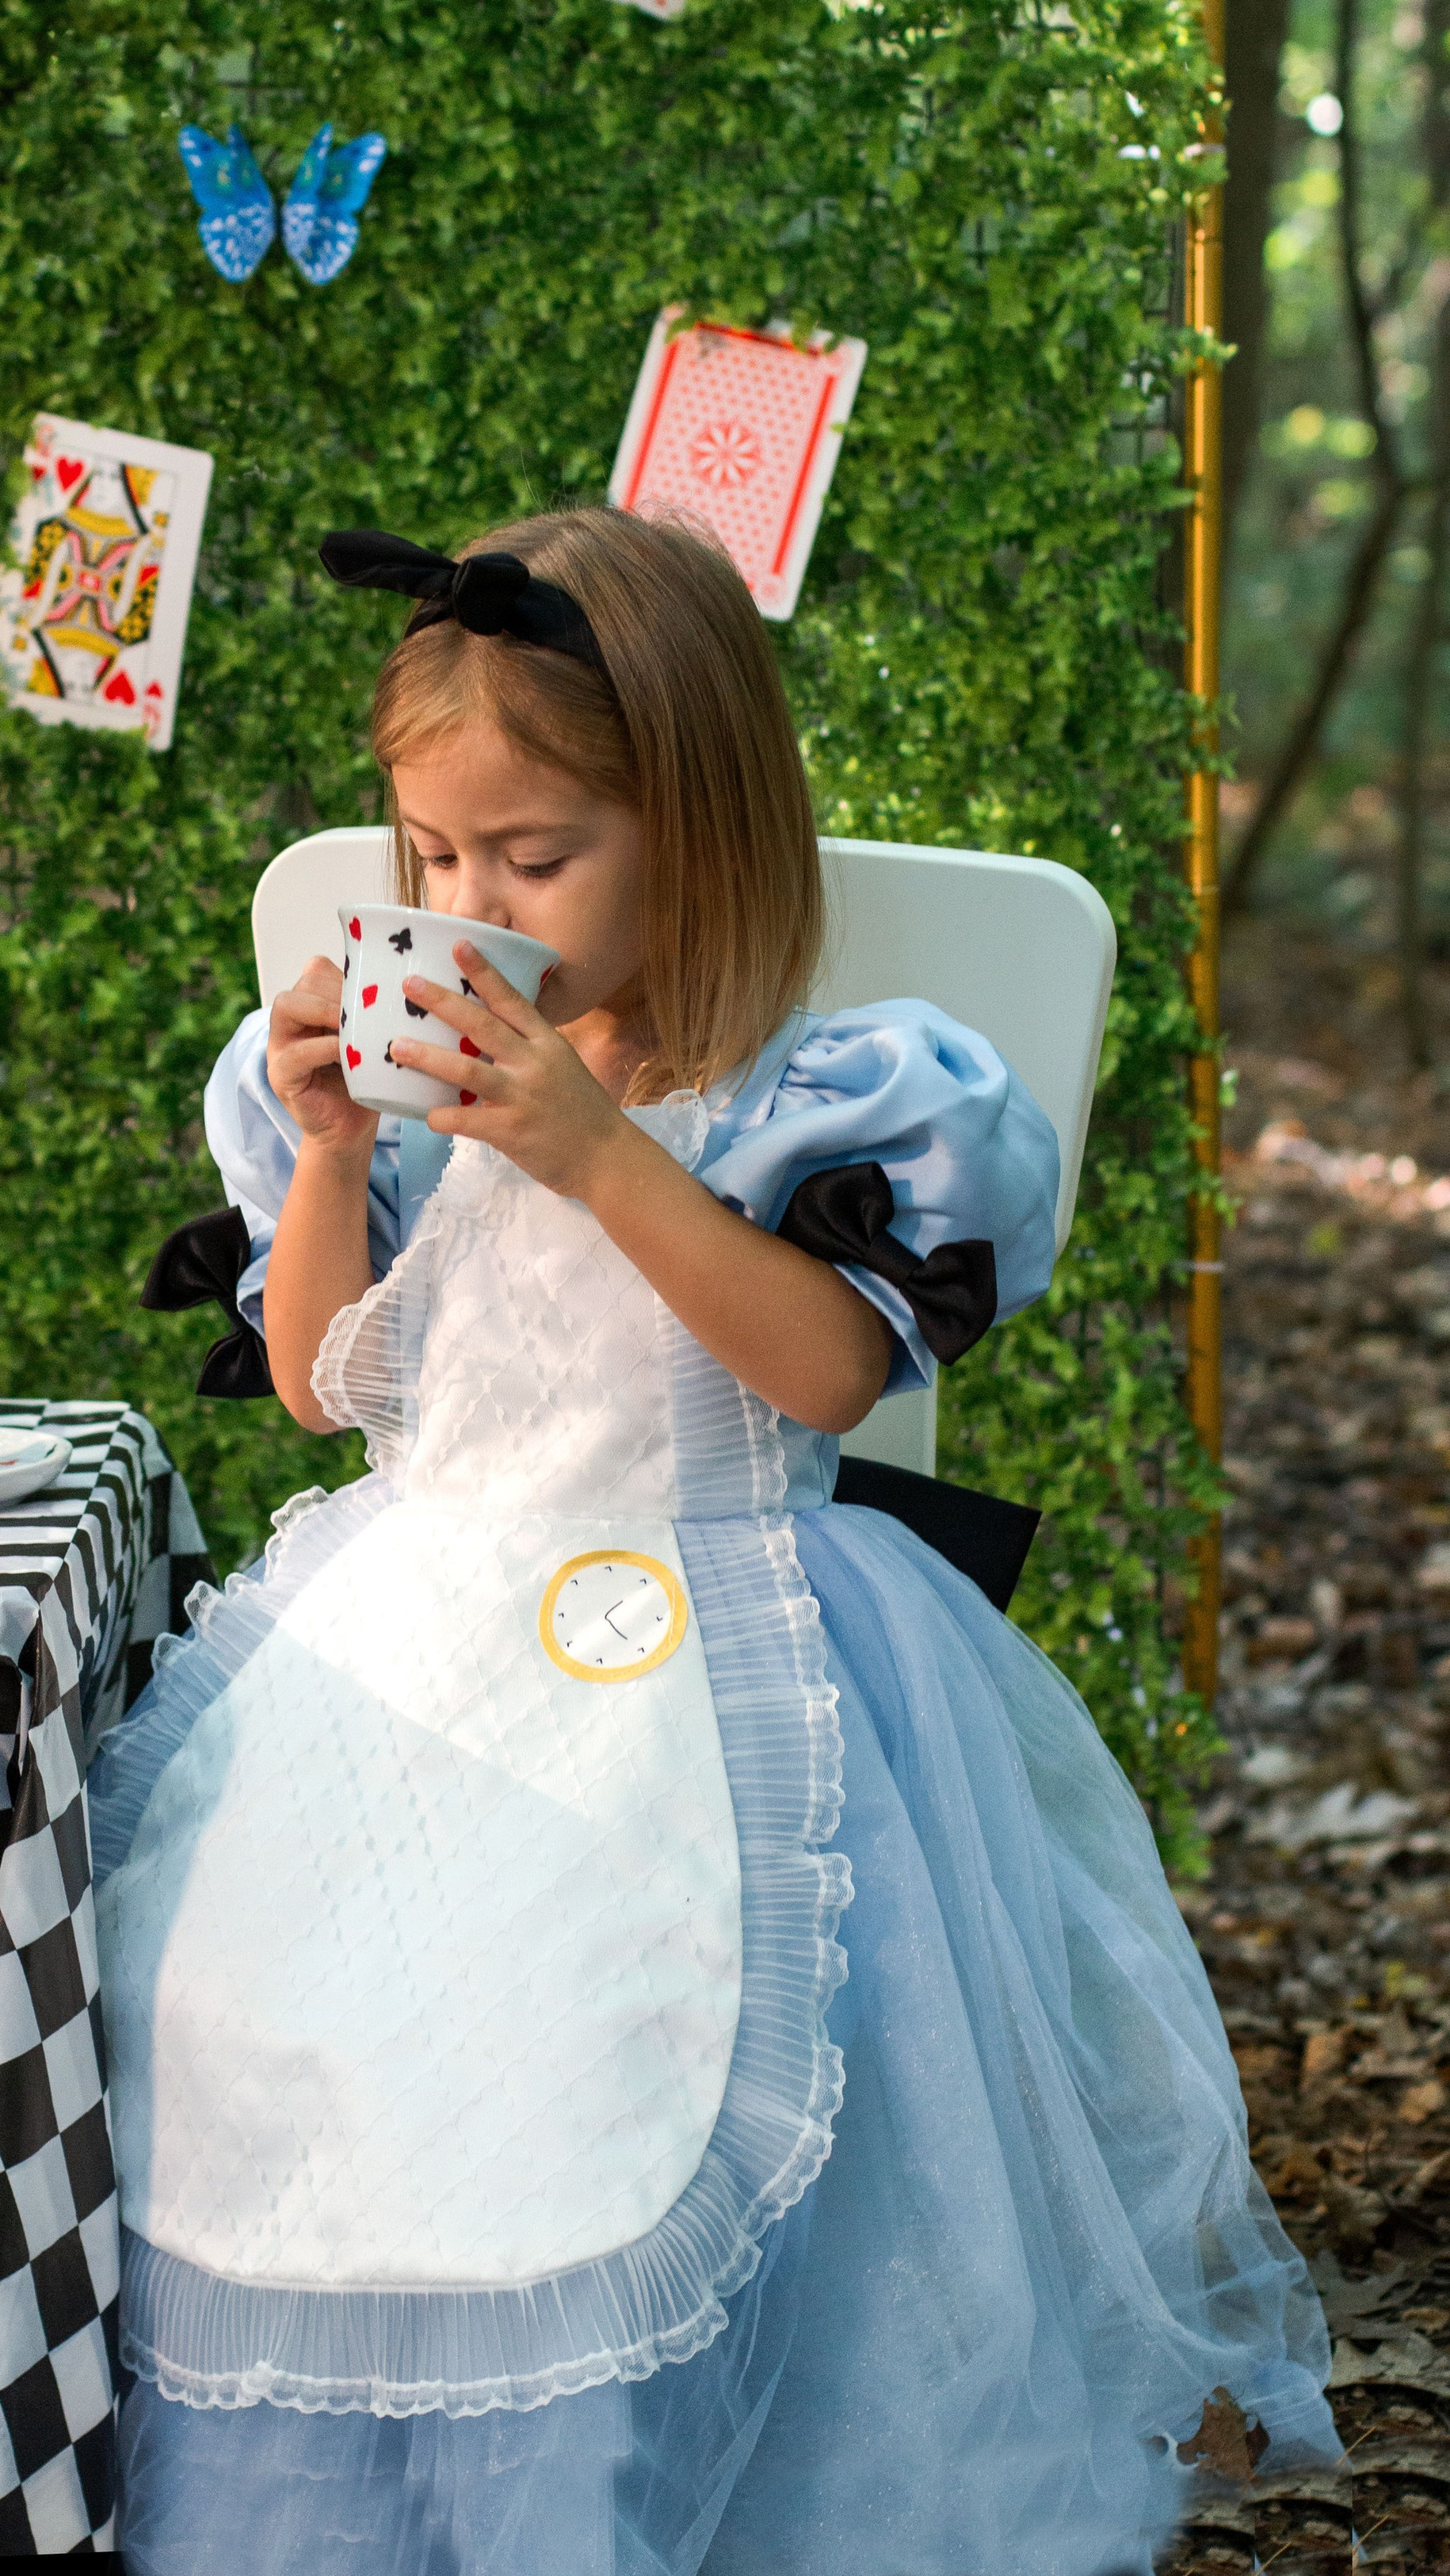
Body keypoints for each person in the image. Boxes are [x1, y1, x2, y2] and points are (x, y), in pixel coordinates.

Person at [92, 507, 1335, 2575]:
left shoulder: (819, 1099)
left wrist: (588, 1151)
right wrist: (327, 1151)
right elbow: (322, 1381)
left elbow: (826, 1378)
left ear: (701, 823)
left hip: (714, 1619)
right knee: (262, 2022)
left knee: (627, 2029)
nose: (468, 907)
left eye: (532, 856)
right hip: (416, 1638)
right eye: (432, 858)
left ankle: (671, 2497)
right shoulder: (386, 1106)